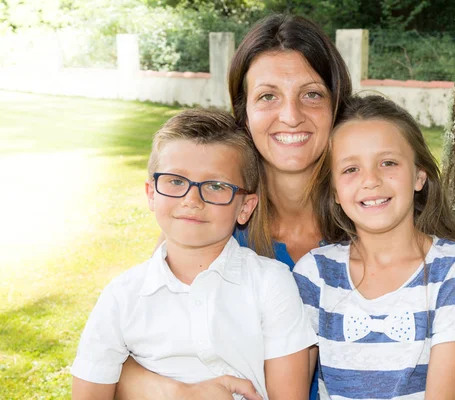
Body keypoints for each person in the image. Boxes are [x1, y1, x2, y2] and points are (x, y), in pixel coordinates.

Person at [115, 13, 455, 400]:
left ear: (336, 104)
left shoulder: (376, 214)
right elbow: (121, 354)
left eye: (311, 95)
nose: (290, 116)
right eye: (268, 96)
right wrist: (179, 392)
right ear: (244, 112)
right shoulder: (216, 222)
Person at [71, 109, 317, 400]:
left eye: (216, 186)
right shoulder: (122, 296)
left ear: (245, 208)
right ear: (151, 193)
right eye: (175, 181)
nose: (192, 200)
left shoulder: (270, 283)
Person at [293, 94, 455, 399]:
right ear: (334, 191)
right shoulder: (315, 273)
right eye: (350, 169)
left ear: (419, 176)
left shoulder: (453, 268)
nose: (371, 180)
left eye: (388, 163)